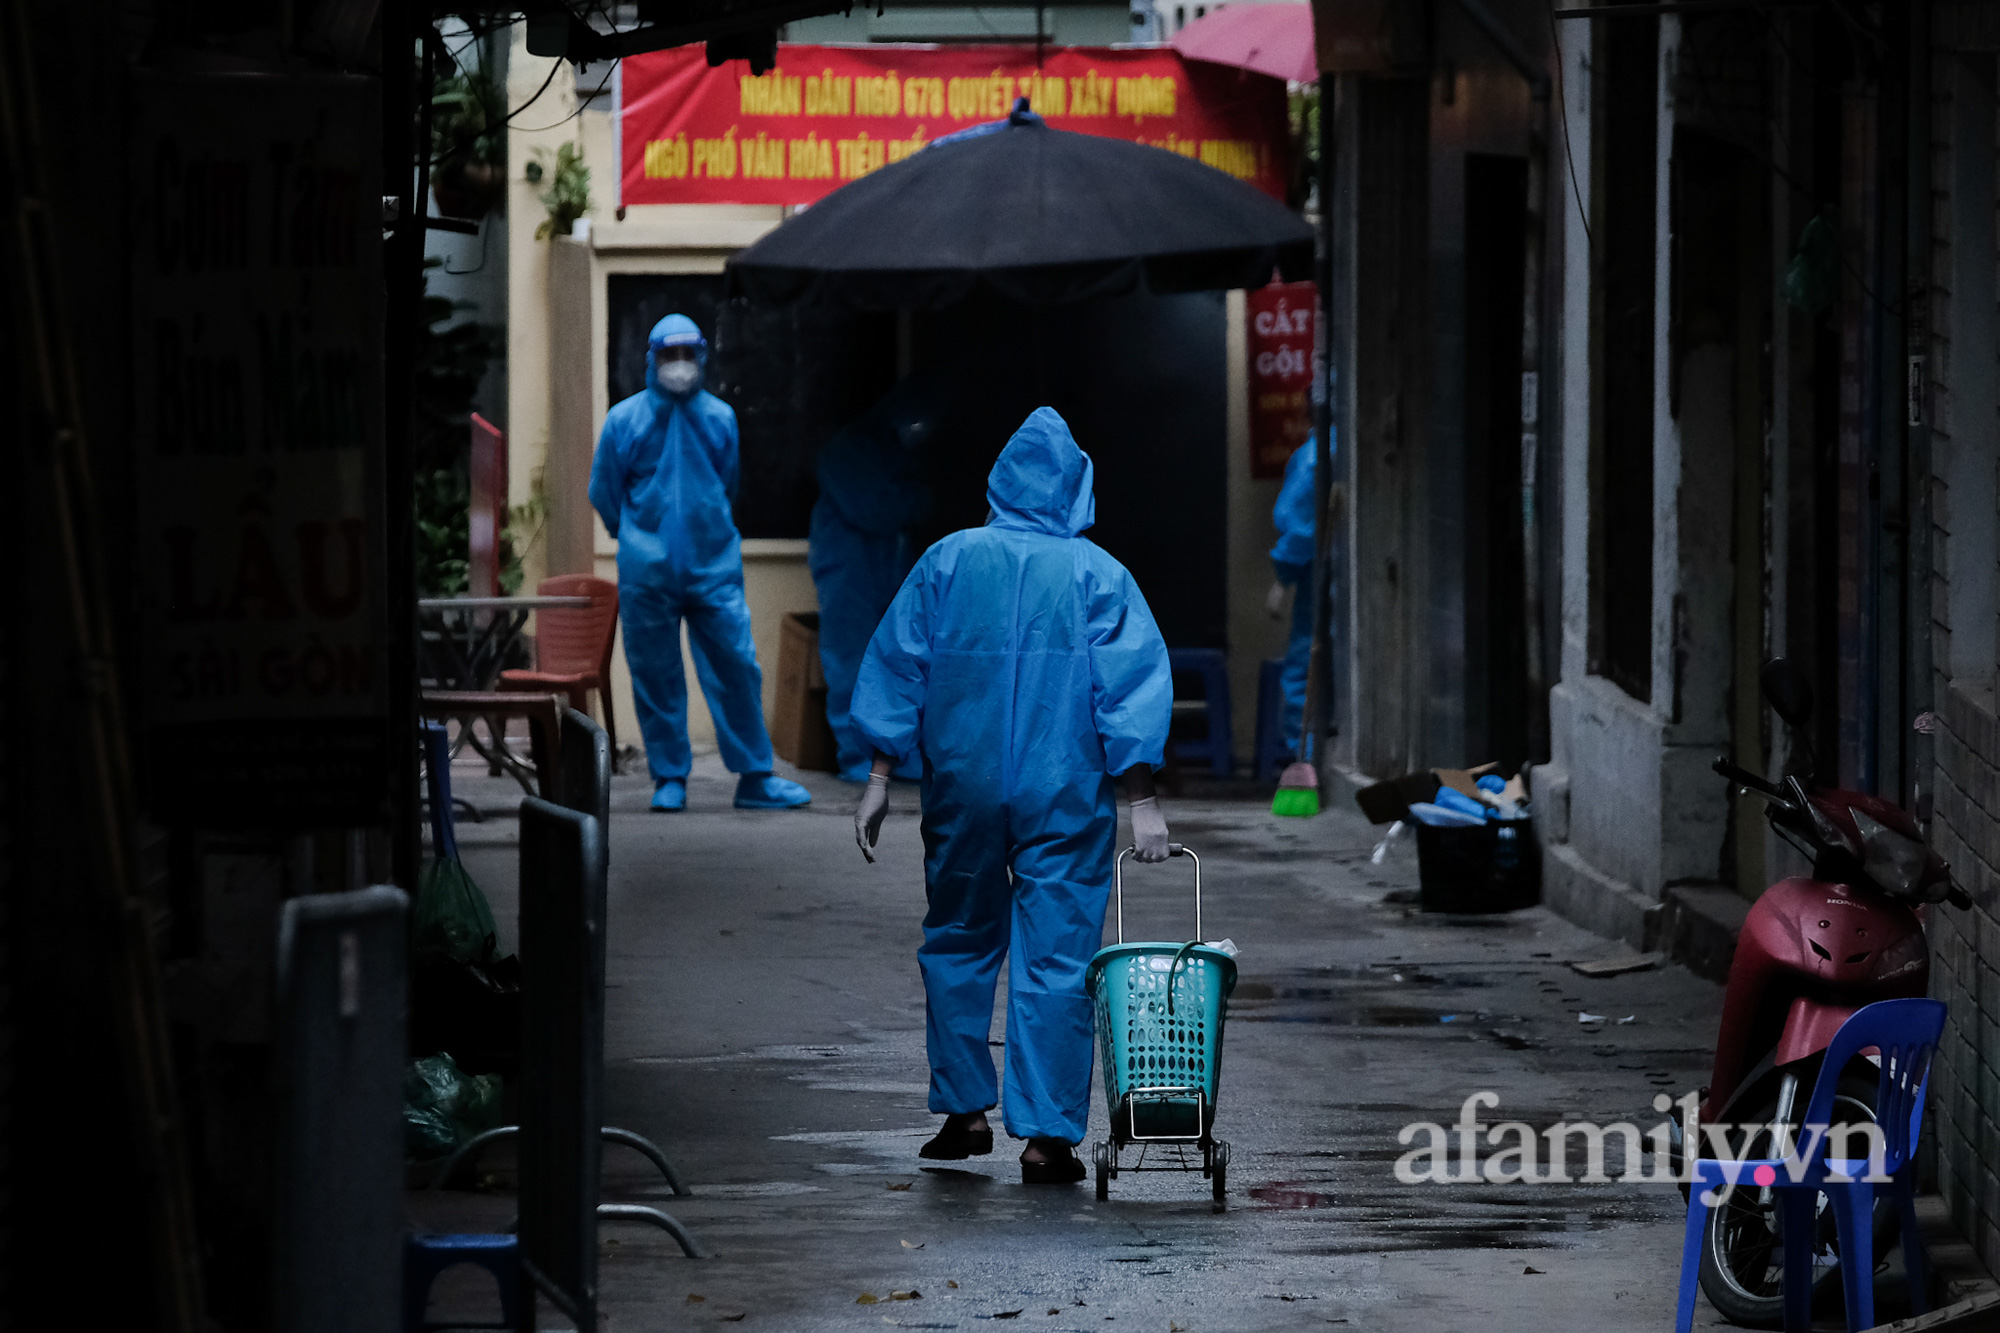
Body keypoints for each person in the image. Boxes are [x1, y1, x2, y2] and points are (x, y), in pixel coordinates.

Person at [847, 407, 1173, 1184]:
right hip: (1064, 789)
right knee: (1059, 955)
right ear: (1075, 487)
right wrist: (1142, 797)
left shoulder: (947, 563)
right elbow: (1126, 691)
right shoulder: (1099, 576)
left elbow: (898, 664)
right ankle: (1046, 1136)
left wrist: (879, 776)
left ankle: (963, 1114)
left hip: (963, 786)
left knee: (958, 937)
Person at [588, 313, 811, 813]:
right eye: (669, 355)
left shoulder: (719, 418)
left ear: (703, 357)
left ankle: (755, 777)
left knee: (736, 665)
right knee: (655, 673)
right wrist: (637, 540)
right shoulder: (625, 420)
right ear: (651, 359)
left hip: (713, 567)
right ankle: (670, 778)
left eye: (689, 354)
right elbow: (604, 491)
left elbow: (726, 485)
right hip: (648, 573)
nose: (680, 365)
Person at [808, 376, 940, 782]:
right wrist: (918, 501)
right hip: (851, 574)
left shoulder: (898, 451)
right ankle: (857, 758)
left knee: (904, 664)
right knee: (853, 663)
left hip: (893, 571)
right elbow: (874, 510)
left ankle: (900, 756)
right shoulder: (845, 450)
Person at [1265, 431, 1335, 756]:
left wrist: (1284, 576)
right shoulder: (1334, 447)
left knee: (1307, 669)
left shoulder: (1317, 454)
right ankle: (1313, 756)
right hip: (1334, 569)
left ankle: (1307, 756)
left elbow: (1301, 518)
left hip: (1321, 573)